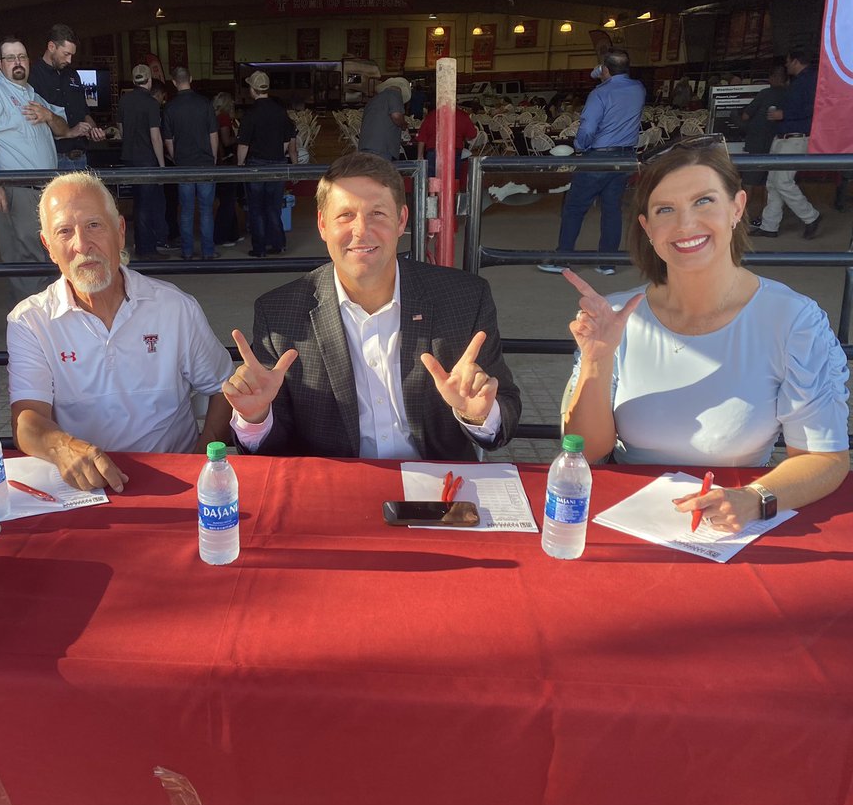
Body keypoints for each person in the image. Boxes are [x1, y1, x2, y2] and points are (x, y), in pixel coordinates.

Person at [560, 136, 848, 531]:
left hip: (735, 527)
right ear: (647, 227)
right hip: (625, 519)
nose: (685, 224)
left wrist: (755, 498)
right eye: (665, 209)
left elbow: (826, 458)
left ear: (737, 207)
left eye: (703, 201)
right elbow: (586, 452)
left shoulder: (793, 320)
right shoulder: (614, 315)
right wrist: (596, 358)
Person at [224, 152, 521, 460]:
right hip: (335, 484)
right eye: (345, 215)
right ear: (323, 225)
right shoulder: (279, 313)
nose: (361, 230)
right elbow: (275, 449)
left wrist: (478, 414)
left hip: (438, 485)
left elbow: (506, 411)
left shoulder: (464, 298)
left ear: (401, 220)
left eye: (377, 213)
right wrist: (256, 418)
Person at [6, 172, 233, 491]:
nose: (81, 244)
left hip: (176, 480)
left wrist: (200, 461)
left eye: (94, 225)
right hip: (85, 488)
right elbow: (26, 420)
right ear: (49, 247)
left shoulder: (174, 307)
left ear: (120, 231)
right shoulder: (29, 321)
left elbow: (224, 388)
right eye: (64, 232)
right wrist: (65, 448)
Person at [0, 37, 78, 302]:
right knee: (24, 257)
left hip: (46, 190)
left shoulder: (32, 94)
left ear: (29, 61)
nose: (17, 62)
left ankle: (49, 313)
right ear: (0, 64)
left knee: (47, 252)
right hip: (17, 190)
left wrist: (48, 116)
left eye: (22, 57)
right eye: (11, 58)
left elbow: (64, 131)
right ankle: (32, 323)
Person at [540, 50, 645, 276]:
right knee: (612, 209)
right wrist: (604, 72)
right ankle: (607, 263)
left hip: (598, 155)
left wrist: (580, 147)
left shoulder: (600, 93)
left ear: (605, 69)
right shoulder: (638, 89)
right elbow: (614, 75)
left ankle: (563, 260)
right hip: (625, 157)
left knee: (575, 208)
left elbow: (587, 128)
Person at [750, 49, 823, 240]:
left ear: (797, 61)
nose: (786, 65)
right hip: (787, 137)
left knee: (781, 182)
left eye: (788, 62)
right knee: (773, 183)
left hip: (795, 137)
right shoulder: (804, 81)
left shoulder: (808, 81)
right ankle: (769, 226)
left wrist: (785, 115)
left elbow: (814, 108)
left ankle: (810, 216)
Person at [28, 23, 106, 172]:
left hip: (81, 157)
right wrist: (69, 130)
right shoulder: (33, 76)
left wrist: (93, 129)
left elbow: (84, 112)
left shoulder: (72, 74)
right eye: (66, 54)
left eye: (72, 55)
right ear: (51, 47)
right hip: (53, 158)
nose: (69, 60)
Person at [237, 70, 297, 258]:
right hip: (278, 162)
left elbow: (243, 144)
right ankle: (279, 244)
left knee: (256, 208)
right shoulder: (280, 111)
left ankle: (260, 248)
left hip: (256, 164)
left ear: (252, 89)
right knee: (273, 206)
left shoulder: (251, 114)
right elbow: (288, 140)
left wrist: (240, 165)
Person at [162, 67, 219, 260]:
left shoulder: (170, 107)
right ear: (191, 78)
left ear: (173, 82)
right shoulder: (204, 104)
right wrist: (213, 157)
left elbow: (168, 140)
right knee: (206, 211)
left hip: (183, 164)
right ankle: (208, 252)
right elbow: (213, 134)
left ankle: (186, 252)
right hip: (205, 163)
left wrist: (176, 157)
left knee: (186, 211)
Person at [117, 64, 170, 260]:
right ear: (148, 81)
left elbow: (121, 129)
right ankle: (147, 249)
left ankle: (141, 243)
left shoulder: (124, 101)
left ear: (133, 80)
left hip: (129, 158)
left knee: (138, 202)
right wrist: (162, 165)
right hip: (147, 159)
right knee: (147, 204)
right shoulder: (151, 103)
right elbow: (155, 136)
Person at [738, 64, 789, 224]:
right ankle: (763, 218)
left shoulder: (765, 93)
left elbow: (746, 116)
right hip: (779, 143)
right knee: (769, 185)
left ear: (772, 78)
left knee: (749, 183)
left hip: (757, 143)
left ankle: (740, 219)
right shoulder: (790, 95)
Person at [414, 104, 478, 182]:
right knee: (452, 180)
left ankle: (433, 194)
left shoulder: (432, 115)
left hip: (434, 151)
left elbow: (422, 136)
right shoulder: (462, 115)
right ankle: (452, 193)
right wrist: (464, 138)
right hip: (453, 150)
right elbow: (472, 134)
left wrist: (419, 156)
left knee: (433, 180)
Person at [212, 92, 241, 247]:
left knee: (229, 199)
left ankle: (233, 234)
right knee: (227, 201)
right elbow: (225, 140)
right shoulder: (223, 118)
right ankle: (220, 237)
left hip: (220, 163)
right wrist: (239, 137)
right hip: (226, 163)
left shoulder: (214, 116)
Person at [358, 77, 410, 161]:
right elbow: (396, 116)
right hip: (382, 146)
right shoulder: (395, 93)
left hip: (366, 144)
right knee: (382, 172)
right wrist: (403, 125)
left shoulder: (373, 100)